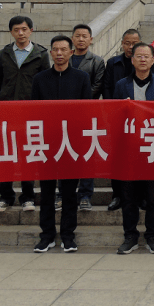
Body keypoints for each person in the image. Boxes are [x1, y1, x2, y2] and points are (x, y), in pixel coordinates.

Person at [31, 35, 92, 252]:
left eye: (63, 49)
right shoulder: (40, 79)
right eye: (55, 50)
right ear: (50, 52)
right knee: (46, 193)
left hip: (71, 143)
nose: (59, 53)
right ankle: (46, 235)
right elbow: (34, 111)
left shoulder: (82, 77)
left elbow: (86, 110)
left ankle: (68, 235)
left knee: (68, 192)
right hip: (46, 143)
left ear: (71, 52)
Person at [113, 42, 154, 255]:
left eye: (147, 56)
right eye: (139, 56)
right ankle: (130, 235)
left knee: (153, 195)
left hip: (153, 148)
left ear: (152, 59)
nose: (143, 60)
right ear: (132, 59)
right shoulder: (121, 85)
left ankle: (152, 235)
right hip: (129, 149)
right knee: (128, 196)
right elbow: (114, 117)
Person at [0, 16, 50, 213]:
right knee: (5, 154)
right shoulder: (3, 54)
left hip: (30, 112)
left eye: (24, 29)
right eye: (16, 30)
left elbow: (45, 83)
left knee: (28, 154)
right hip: (6, 110)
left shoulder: (41, 54)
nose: (21, 33)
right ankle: (5, 196)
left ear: (31, 30)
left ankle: (27, 197)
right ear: (11, 32)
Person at [63, 23, 105, 211]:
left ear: (91, 39)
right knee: (64, 153)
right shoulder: (64, 58)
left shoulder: (97, 61)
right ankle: (62, 193)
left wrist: (79, 100)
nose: (81, 39)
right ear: (72, 39)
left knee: (87, 154)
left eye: (84, 36)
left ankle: (85, 194)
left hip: (87, 114)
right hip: (64, 115)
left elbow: (98, 85)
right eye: (77, 36)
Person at [102, 28, 141, 211]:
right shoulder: (112, 63)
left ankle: (139, 195)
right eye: (127, 43)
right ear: (122, 43)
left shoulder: (144, 61)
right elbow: (107, 88)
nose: (130, 46)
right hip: (118, 118)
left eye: (134, 43)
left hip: (141, 120)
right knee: (117, 158)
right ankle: (117, 195)